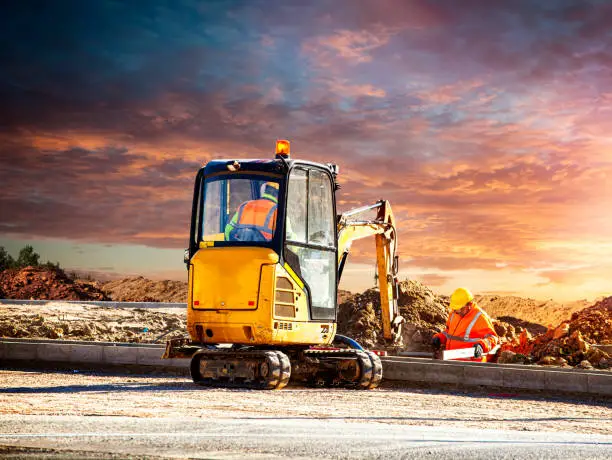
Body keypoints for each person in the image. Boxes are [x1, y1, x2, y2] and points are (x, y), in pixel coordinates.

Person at [431, 287, 499, 362]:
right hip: (451, 361)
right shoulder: (454, 314)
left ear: (469, 304)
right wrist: (439, 337)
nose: (457, 311)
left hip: (471, 364)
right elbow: (449, 332)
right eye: (455, 309)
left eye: (460, 308)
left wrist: (482, 345)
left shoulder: (480, 317)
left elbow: (493, 338)